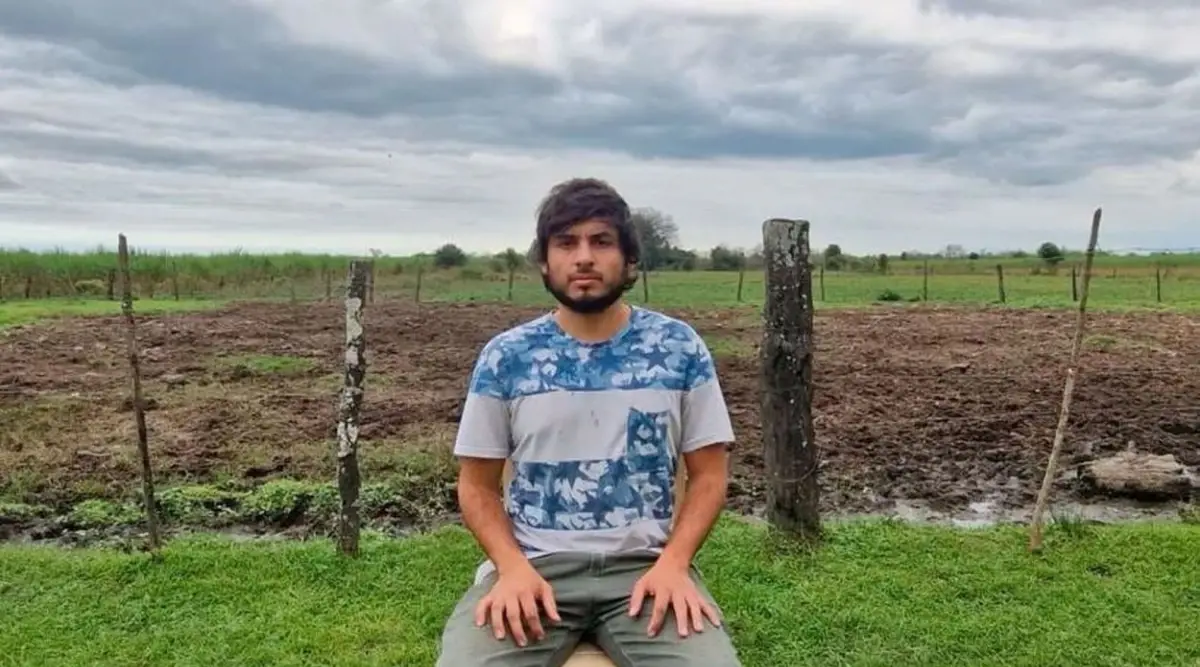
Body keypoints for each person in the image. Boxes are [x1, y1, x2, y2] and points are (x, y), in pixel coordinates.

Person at [436, 177, 742, 666]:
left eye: (601, 242)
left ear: (629, 259)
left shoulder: (678, 348)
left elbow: (708, 476)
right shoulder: (506, 357)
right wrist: (511, 569)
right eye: (566, 243)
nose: (583, 258)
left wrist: (675, 564)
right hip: (536, 569)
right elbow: (476, 487)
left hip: (645, 571)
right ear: (544, 260)